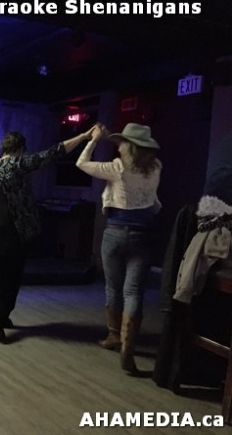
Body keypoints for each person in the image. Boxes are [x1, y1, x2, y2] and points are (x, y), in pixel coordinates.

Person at [0, 128, 94, 342]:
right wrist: (82, 136)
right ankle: (3, 315)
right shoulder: (19, 165)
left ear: (3, 148)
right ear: (20, 149)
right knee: (13, 276)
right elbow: (53, 153)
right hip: (15, 231)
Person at [76, 122, 161, 374]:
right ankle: (128, 346)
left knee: (113, 288)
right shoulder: (156, 166)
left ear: (131, 146)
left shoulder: (117, 167)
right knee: (133, 291)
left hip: (115, 233)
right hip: (143, 236)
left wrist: (94, 140)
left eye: (122, 142)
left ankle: (114, 335)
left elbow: (81, 163)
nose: (119, 146)